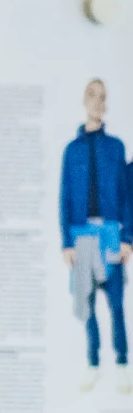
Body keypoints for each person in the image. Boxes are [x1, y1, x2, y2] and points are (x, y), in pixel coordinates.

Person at [65, 78, 129, 373]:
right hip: (81, 235)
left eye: (102, 96)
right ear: (83, 100)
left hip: (111, 232)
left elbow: (126, 195)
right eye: (92, 95)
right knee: (87, 307)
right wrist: (66, 243)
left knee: (116, 303)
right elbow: (64, 197)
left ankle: (122, 363)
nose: (97, 102)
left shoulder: (116, 147)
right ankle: (93, 363)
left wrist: (127, 237)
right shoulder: (72, 150)